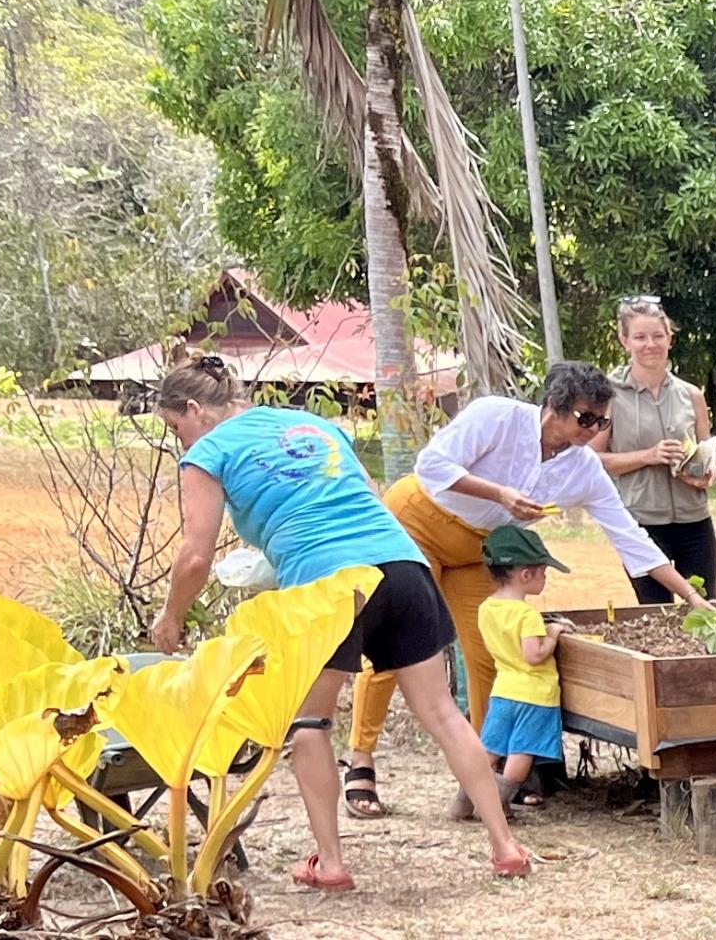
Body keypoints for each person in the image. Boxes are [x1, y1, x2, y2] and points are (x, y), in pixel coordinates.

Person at [147, 355, 529, 891]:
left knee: (310, 723)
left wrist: (170, 618)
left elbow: (194, 556)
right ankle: (505, 846)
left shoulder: (209, 451)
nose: (180, 442)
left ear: (194, 410)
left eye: (175, 429)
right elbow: (365, 499)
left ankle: (331, 863)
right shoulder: (314, 425)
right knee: (442, 712)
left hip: (328, 584)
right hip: (401, 563)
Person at [343, 361, 716, 817]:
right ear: (553, 408)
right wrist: (499, 494)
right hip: (414, 521)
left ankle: (485, 772)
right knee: (394, 645)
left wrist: (691, 595)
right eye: (585, 419)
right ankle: (360, 759)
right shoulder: (497, 416)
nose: (593, 430)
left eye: (602, 421)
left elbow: (630, 536)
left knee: (490, 655)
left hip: (476, 550)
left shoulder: (583, 468)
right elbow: (433, 465)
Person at [591, 296, 716, 603]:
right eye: (640, 337)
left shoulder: (692, 395)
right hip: (641, 525)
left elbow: (709, 459)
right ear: (625, 341)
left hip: (695, 522)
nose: (650, 344)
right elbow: (592, 460)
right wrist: (647, 456)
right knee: (655, 614)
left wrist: (706, 475)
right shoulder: (608, 396)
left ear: (670, 339)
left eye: (657, 336)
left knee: (706, 612)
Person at [449, 526, 574, 818]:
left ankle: (464, 803)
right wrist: (553, 633)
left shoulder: (487, 608)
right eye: (543, 572)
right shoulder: (526, 614)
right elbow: (534, 655)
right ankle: (497, 806)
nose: (545, 578)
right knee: (521, 752)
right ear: (525, 575)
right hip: (534, 694)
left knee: (490, 749)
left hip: (504, 689)